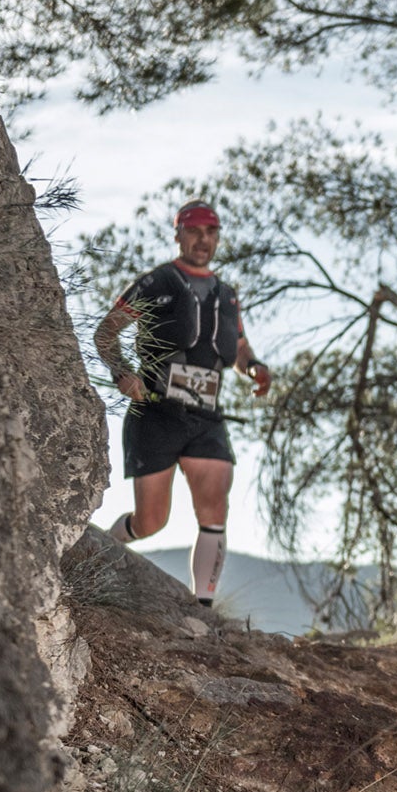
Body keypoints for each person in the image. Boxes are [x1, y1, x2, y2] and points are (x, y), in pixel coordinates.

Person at [94, 201, 271, 605]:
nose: (202, 239)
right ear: (178, 235)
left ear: (218, 237)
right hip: (155, 410)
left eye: (210, 232)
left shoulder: (227, 295)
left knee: (215, 509)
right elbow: (106, 332)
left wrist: (255, 368)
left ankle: (203, 608)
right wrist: (123, 373)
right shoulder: (156, 282)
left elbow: (239, 347)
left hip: (206, 415)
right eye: (193, 231)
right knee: (152, 520)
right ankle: (99, 552)